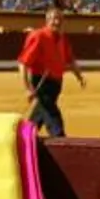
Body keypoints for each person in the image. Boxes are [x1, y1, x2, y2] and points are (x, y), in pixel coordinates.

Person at [18, 7, 84, 137]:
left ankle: (25, 135)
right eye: (54, 19)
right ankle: (59, 138)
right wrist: (28, 88)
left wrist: (79, 76)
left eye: (60, 19)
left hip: (56, 83)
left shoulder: (62, 38)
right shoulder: (39, 36)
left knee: (42, 111)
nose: (57, 22)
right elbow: (23, 63)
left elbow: (70, 60)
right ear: (47, 21)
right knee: (52, 114)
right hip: (42, 81)